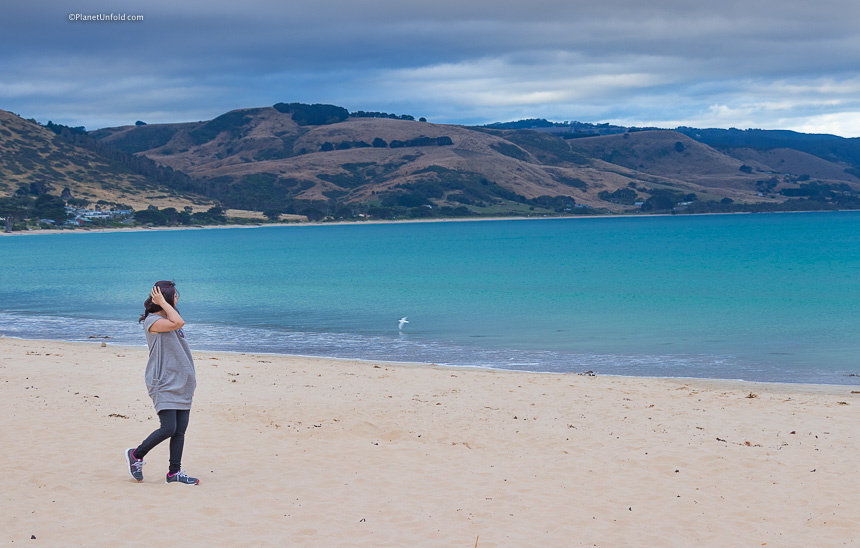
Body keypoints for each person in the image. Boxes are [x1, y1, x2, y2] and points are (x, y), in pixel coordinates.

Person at [125, 281, 199, 485]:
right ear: (164, 299)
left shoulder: (168, 317)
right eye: (175, 296)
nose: (177, 299)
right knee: (168, 428)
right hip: (163, 382)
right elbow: (178, 323)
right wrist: (165, 304)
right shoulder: (153, 322)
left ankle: (174, 473)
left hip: (182, 383)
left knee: (180, 430)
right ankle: (136, 455)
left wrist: (190, 382)